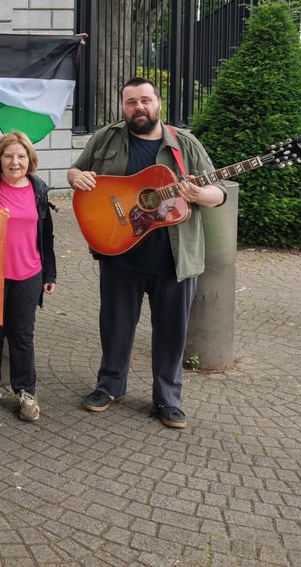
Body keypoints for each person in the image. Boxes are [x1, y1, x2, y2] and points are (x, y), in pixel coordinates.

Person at [67, 77, 225, 429]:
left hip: (174, 258)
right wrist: (76, 176)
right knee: (115, 325)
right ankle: (110, 386)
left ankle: (167, 399)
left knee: (171, 332)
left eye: (145, 100)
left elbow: (218, 192)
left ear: (158, 103)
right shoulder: (107, 137)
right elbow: (77, 169)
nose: (139, 107)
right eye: (130, 102)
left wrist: (202, 196)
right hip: (119, 252)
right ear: (122, 107)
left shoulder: (185, 145)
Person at [0, 131, 57, 422]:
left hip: (28, 272)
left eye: (21, 156)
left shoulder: (38, 189)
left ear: (30, 159)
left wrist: (49, 273)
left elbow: (47, 235)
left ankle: (25, 391)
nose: (15, 162)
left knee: (22, 335)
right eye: (8, 156)